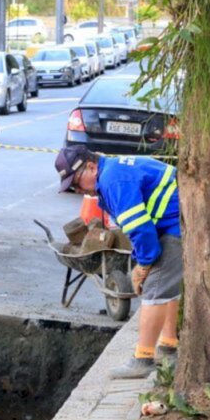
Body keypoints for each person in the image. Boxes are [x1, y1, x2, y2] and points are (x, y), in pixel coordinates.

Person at [55, 145, 182, 378]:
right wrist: (141, 261)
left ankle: (144, 360)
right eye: (72, 186)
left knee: (155, 291)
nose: (77, 189)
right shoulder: (112, 172)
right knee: (166, 287)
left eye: (77, 182)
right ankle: (168, 346)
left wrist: (143, 266)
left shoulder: (113, 182)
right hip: (175, 221)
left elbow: (141, 230)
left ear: (91, 167)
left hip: (176, 225)